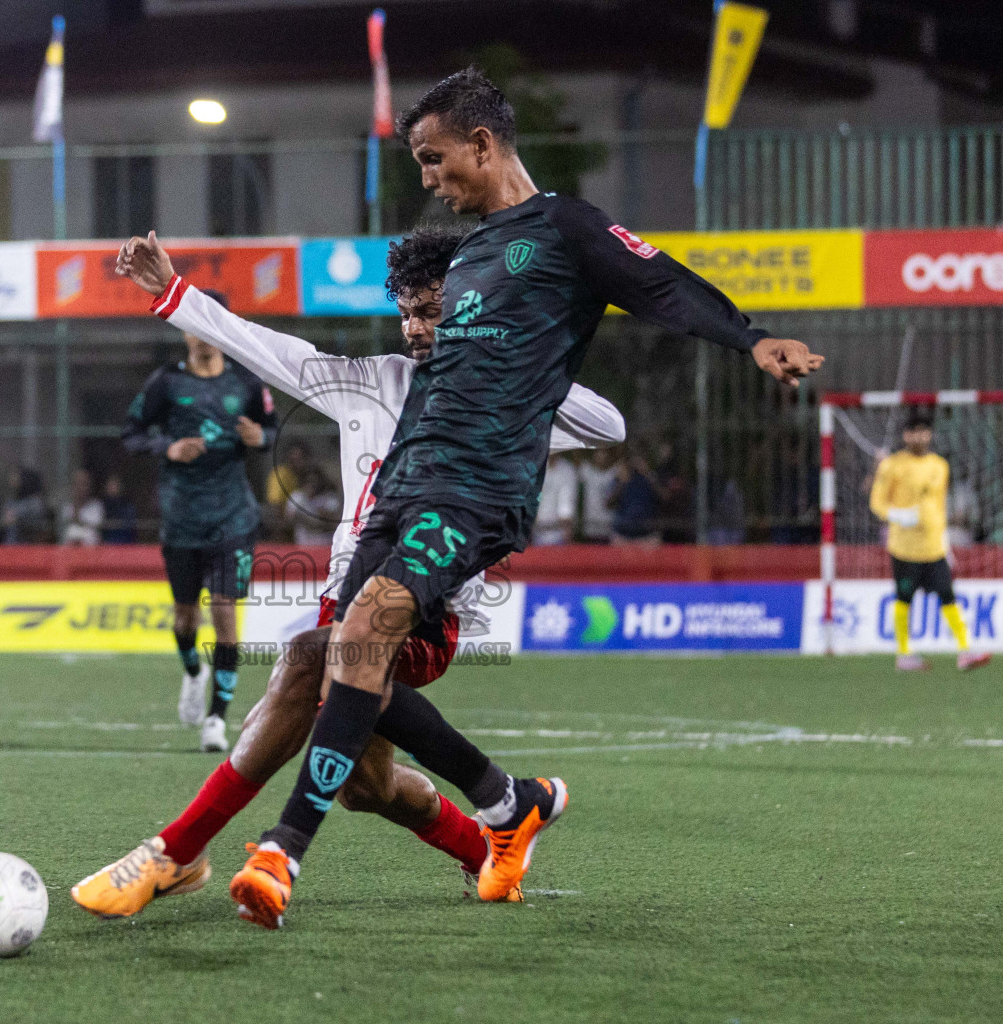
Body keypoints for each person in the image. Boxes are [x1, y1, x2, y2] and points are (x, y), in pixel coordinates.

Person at [224, 67, 823, 929]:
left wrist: (752, 338)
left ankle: (281, 853)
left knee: (359, 634)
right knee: (354, 670)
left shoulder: (566, 228)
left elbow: (662, 284)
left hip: (476, 492)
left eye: (434, 159)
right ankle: (509, 804)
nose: (427, 179)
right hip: (411, 486)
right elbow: (446, 378)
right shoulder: (465, 255)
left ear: (483, 144)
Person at [73, 225, 625, 922]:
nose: (415, 327)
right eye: (408, 311)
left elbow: (609, 426)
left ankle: (176, 854)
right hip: (347, 598)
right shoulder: (368, 382)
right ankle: (488, 842)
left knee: (306, 661)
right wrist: (173, 293)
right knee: (367, 785)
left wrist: (514, 359)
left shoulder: (505, 390)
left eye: (432, 310)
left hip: (425, 610)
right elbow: (264, 348)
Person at [121, 290, 280, 753]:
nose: (204, 334)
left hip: (234, 516)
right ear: (184, 329)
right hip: (182, 518)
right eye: (196, 323)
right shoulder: (166, 383)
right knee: (185, 616)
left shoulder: (247, 383)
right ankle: (194, 671)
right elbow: (131, 434)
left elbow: (269, 430)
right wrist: (166, 448)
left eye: (214, 323)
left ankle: (217, 718)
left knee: (225, 615)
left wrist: (260, 437)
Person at [869, 408, 990, 672]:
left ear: (930, 435)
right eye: (915, 432)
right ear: (906, 435)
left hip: (934, 547)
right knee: (904, 599)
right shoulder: (891, 465)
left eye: (925, 432)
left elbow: (938, 508)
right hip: (904, 548)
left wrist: (945, 543)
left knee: (948, 594)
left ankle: (965, 650)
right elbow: (876, 503)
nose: (920, 437)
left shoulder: (940, 466)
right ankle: (904, 653)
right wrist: (897, 515)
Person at [287, 465, 342, 547]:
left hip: (324, 544)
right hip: (303, 544)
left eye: (315, 481)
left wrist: (322, 516)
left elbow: (336, 524)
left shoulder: (330, 499)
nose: (312, 485)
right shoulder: (297, 497)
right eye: (308, 481)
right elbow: (288, 522)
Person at [531, 453, 578, 545]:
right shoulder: (535, 466)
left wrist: (567, 526)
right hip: (538, 530)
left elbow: (567, 499)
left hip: (559, 531)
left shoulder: (567, 469)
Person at [1, 467, 53, 544]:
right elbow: (5, 520)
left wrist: (18, 519)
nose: (13, 482)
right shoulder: (12, 501)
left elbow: (38, 524)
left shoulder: (35, 502)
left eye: (17, 478)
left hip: (27, 544)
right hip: (10, 544)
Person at [578, 447, 618, 543]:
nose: (601, 457)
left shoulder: (614, 472)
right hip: (590, 527)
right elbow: (577, 454)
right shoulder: (587, 471)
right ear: (594, 455)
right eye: (599, 454)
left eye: (604, 454)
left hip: (608, 526)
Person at [59, 468, 105, 546]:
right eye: (77, 484)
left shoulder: (97, 506)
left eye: (83, 484)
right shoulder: (66, 507)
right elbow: (62, 530)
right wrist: (76, 504)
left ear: (89, 486)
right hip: (69, 550)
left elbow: (95, 527)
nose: (80, 488)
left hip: (90, 549)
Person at [98, 474, 137, 543]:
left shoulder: (127, 507)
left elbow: (129, 529)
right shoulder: (101, 506)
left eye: (114, 486)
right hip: (106, 544)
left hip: (124, 543)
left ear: (120, 488)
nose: (112, 489)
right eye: (110, 486)